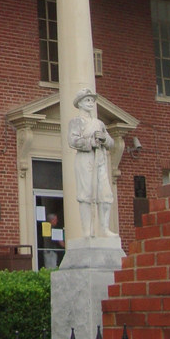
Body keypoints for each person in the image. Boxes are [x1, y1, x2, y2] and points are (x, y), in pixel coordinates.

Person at [68, 88, 118, 238]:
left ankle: (104, 229)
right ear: (80, 104)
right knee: (86, 195)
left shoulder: (99, 123)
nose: (90, 103)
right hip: (85, 160)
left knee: (105, 194)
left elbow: (111, 143)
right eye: (87, 100)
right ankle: (87, 231)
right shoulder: (75, 122)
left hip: (100, 159)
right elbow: (72, 141)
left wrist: (104, 139)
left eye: (92, 100)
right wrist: (90, 142)